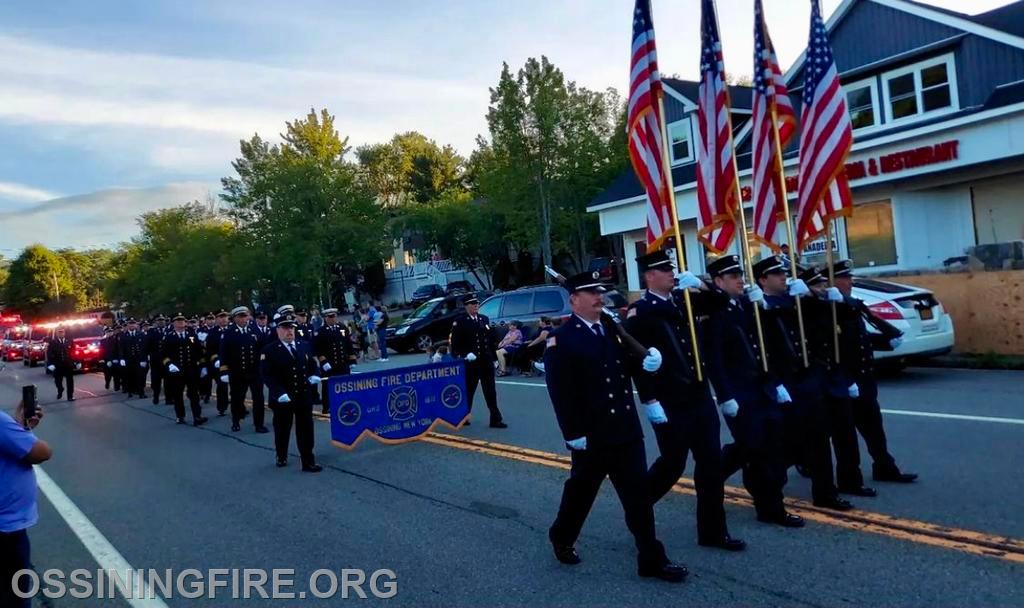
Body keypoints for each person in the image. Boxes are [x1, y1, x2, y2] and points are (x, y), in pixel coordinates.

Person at [543, 270, 687, 582]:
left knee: (638, 498)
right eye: (591, 293)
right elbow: (561, 392)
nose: (599, 297)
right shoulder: (562, 340)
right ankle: (562, 535)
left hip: (624, 430)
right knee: (581, 493)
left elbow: (628, 366)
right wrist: (573, 434)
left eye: (600, 292)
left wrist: (648, 364)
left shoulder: (612, 330)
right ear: (574, 300)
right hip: (592, 436)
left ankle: (651, 559)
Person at [626, 251, 746, 550]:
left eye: (672, 269)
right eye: (664, 270)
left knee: (710, 465)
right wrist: (649, 399)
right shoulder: (639, 312)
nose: (671, 273)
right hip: (670, 400)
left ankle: (713, 532)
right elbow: (633, 359)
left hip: (699, 395)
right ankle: (637, 508)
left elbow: (722, 302)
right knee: (672, 464)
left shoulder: (687, 300)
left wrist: (703, 285)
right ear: (649, 276)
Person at [704, 255, 803, 528]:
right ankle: (770, 507)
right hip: (740, 393)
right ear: (719, 282)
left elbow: (764, 347)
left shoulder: (748, 306)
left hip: (763, 387)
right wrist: (725, 395)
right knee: (759, 450)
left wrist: (775, 382)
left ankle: (712, 477)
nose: (740, 280)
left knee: (767, 445)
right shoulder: (715, 313)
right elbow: (715, 359)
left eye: (740, 275)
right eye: (733, 276)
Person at [754, 257, 853, 512]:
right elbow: (761, 348)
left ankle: (825, 493)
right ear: (763, 280)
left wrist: (815, 296)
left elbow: (826, 324)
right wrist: (774, 383)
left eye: (783, 273)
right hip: (784, 382)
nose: (782, 277)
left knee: (819, 438)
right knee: (788, 444)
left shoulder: (797, 300)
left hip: (808, 378)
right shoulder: (760, 307)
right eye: (776, 274)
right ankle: (762, 485)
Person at [832, 260, 917, 484]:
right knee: (838, 433)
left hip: (863, 376)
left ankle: (885, 466)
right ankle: (809, 464)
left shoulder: (849, 305)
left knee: (873, 426)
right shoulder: (830, 308)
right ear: (832, 281)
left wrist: (886, 341)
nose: (850, 281)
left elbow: (858, 339)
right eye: (844, 277)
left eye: (849, 277)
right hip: (844, 379)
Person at [803, 269, 877, 498]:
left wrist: (840, 298)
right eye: (818, 286)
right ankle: (824, 490)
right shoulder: (801, 307)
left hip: (836, 376)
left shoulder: (832, 305)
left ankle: (851, 481)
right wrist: (803, 296)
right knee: (817, 441)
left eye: (825, 284)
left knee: (846, 433)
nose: (823, 289)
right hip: (813, 379)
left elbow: (854, 309)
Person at [0, 399, 52, 608]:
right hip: (6, 532)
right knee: (15, 596)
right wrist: (26, 431)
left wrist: (20, 427)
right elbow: (41, 453)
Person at [260, 313, 323, 472]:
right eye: (285, 328)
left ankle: (308, 461)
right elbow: (267, 375)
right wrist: (278, 392)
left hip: (302, 394)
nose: (290, 331)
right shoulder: (270, 350)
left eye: (292, 328)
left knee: (306, 428)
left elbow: (312, 364)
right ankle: (281, 455)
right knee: (282, 428)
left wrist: (315, 374)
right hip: (283, 397)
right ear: (278, 330)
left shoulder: (303, 345)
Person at [448, 294, 507, 428]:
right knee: (469, 390)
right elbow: (455, 344)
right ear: (466, 306)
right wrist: (464, 354)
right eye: (472, 304)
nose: (475, 306)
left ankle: (495, 419)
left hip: (485, 361)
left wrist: (493, 357)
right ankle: (464, 417)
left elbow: (490, 339)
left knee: (490, 391)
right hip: (471, 363)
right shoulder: (460, 321)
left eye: (477, 304)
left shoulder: (483, 319)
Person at [219, 306, 268, 433]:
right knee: (237, 398)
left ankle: (259, 424)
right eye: (240, 317)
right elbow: (224, 353)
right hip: (237, 372)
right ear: (235, 318)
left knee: (259, 399)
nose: (243, 319)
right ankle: (236, 421)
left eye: (245, 316)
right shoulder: (229, 333)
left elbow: (263, 348)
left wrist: (264, 365)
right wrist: (224, 370)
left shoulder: (254, 330)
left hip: (254, 371)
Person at [161, 314, 208, 426]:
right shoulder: (169, 337)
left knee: (194, 394)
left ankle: (197, 416)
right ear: (173, 323)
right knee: (177, 394)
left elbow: (199, 352)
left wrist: (203, 366)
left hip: (191, 370)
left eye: (183, 320)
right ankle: (180, 416)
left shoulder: (191, 336)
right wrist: (169, 364)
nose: (181, 322)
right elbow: (163, 355)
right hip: (177, 371)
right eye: (178, 320)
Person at [313, 308, 357, 415]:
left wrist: (352, 360)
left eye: (334, 316)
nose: (333, 319)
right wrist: (323, 362)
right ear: (325, 318)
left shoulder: (342, 328)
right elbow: (318, 349)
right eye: (330, 317)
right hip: (329, 364)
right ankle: (327, 407)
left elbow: (348, 344)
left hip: (342, 362)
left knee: (345, 385)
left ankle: (346, 405)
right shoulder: (320, 331)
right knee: (327, 386)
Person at [206, 310, 231, 417]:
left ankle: (240, 407)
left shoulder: (232, 330)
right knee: (222, 385)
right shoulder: (212, 333)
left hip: (233, 362)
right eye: (221, 317)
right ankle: (222, 407)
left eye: (225, 316)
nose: (223, 319)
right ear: (217, 319)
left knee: (238, 386)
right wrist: (216, 359)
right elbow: (210, 350)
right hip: (220, 364)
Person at [118, 319, 148, 398]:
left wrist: (144, 359)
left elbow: (144, 348)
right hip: (129, 359)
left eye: (133, 324)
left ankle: (141, 392)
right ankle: (130, 391)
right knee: (130, 376)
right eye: (130, 324)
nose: (132, 325)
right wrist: (122, 359)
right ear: (127, 325)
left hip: (139, 359)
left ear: (136, 325)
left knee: (140, 376)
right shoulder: (123, 336)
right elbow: (121, 348)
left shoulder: (141, 334)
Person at [46, 326, 76, 402]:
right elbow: (49, 354)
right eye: (59, 332)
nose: (61, 333)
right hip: (58, 365)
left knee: (70, 381)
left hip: (68, 364)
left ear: (64, 333)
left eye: (62, 332)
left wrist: (77, 361)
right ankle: (60, 389)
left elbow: (73, 352)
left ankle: (70, 396)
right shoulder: (53, 342)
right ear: (56, 333)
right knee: (58, 381)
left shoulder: (69, 341)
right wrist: (50, 364)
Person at [146, 315, 169, 405]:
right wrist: (146, 357)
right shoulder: (151, 332)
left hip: (167, 360)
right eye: (159, 320)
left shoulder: (168, 331)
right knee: (156, 381)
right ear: (156, 322)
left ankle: (168, 398)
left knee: (168, 380)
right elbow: (147, 345)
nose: (161, 322)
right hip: (155, 360)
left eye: (162, 320)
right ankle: (156, 396)